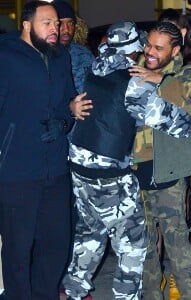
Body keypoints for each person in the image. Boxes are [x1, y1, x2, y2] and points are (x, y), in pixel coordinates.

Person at [63, 20, 191, 300]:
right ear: (135, 47)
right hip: (110, 175)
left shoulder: (94, 67)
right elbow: (180, 124)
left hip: (79, 167)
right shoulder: (133, 82)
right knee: (132, 246)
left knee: (89, 235)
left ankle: (74, 292)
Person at [0, 1, 82, 299]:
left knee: (57, 244)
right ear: (26, 24)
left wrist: (63, 122)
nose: (55, 29)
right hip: (16, 168)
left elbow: (69, 103)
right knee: (18, 248)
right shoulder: (6, 56)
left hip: (55, 166)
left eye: (57, 24)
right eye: (47, 22)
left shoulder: (60, 58)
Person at [128, 21, 191, 300]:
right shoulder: (134, 69)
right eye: (149, 44)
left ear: (175, 50)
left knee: (177, 243)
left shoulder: (184, 72)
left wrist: (160, 80)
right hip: (136, 169)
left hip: (169, 170)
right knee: (145, 246)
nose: (150, 51)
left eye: (158, 48)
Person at [53, 0, 94, 94]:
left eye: (70, 23)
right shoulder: (41, 56)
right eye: (60, 24)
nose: (66, 30)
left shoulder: (83, 54)